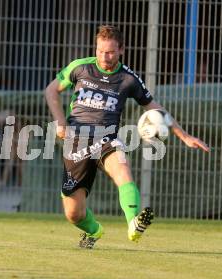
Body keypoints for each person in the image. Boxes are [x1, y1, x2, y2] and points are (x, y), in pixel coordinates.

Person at [45, 25, 209, 249]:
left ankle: (133, 223)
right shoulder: (80, 67)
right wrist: (59, 121)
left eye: (110, 52)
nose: (104, 56)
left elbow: (156, 109)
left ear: (121, 50)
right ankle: (95, 230)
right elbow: (51, 90)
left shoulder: (128, 79)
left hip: (107, 139)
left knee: (123, 170)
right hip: (76, 141)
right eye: (100, 51)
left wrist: (184, 135)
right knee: (74, 213)